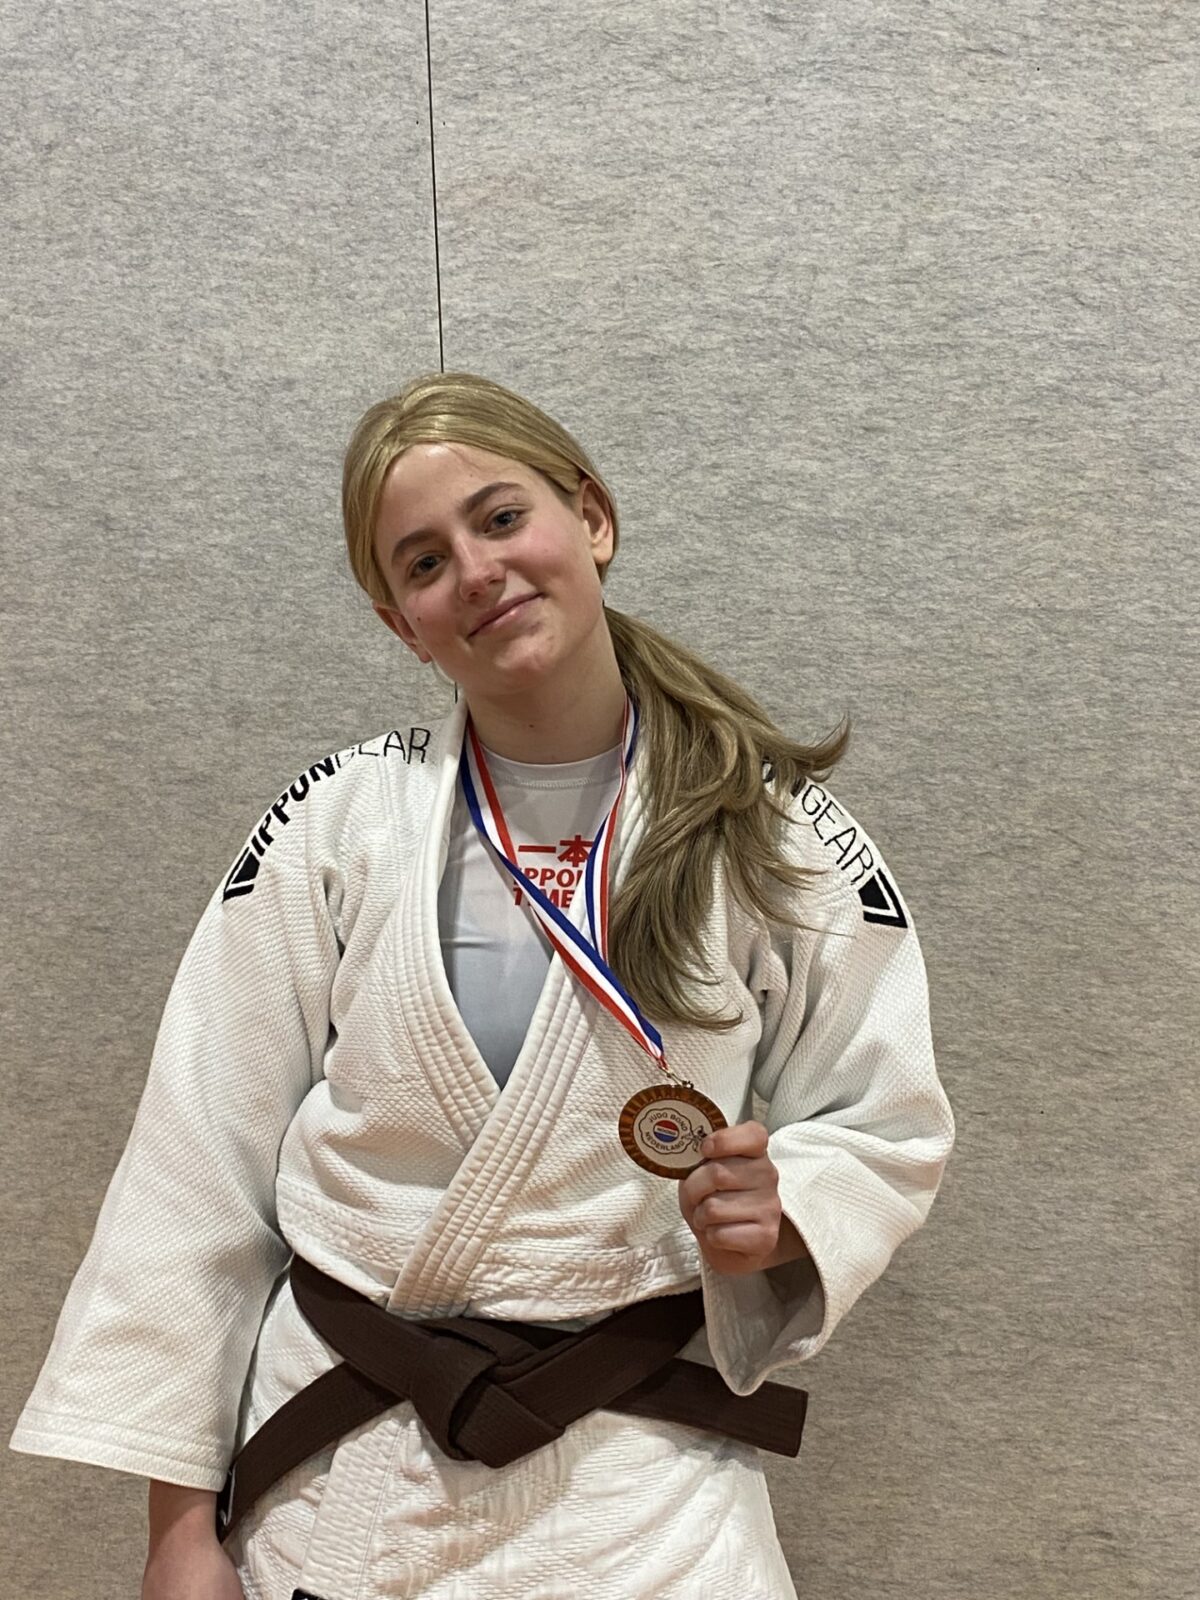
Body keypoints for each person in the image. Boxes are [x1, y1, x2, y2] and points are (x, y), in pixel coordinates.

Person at [10, 371, 955, 1599]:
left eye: (502, 517)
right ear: (401, 621)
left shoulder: (774, 832)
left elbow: (886, 1120)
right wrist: (178, 1529)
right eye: (424, 561)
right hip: (343, 1475)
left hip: (643, 1507)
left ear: (591, 517)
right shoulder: (336, 823)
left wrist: (787, 1212)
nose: (476, 570)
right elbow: (198, 1164)